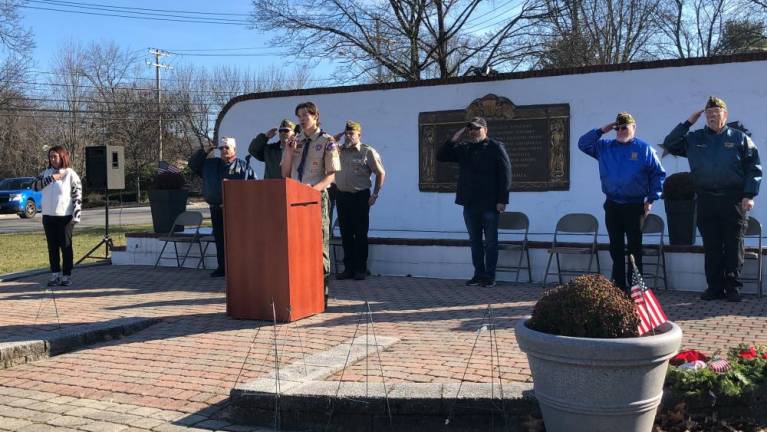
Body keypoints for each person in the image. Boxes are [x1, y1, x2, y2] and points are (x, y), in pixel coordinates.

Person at [663, 96, 761, 302]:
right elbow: (670, 144)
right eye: (708, 114)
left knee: (734, 245)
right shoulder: (695, 138)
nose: (712, 117)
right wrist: (688, 122)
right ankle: (714, 287)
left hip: (733, 199)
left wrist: (749, 194)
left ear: (725, 115)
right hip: (706, 198)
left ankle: (732, 287)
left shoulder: (739, 138)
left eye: (716, 113)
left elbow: (754, 167)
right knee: (712, 245)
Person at [578, 112, 666, 292]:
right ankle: (619, 285)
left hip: (635, 206)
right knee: (615, 246)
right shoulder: (604, 147)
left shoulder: (644, 149)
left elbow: (658, 174)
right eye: (618, 128)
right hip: (612, 204)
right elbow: (583, 143)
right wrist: (603, 129)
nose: (621, 131)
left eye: (625, 127)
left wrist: (651, 198)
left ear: (634, 128)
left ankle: (635, 285)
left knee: (634, 246)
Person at [436, 116, 512, 288]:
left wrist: (502, 200)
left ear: (485, 129)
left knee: (491, 242)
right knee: (475, 241)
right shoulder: (465, 148)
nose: (473, 131)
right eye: (471, 129)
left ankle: (489, 276)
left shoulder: (496, 147)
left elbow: (506, 175)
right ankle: (479, 274)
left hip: (490, 203)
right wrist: (459, 134)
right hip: (470, 203)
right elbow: (441, 156)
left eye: (477, 128)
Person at [281, 101, 341, 305]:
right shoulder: (295, 141)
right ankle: (302, 292)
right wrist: (289, 152)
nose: (302, 119)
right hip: (295, 199)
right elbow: (286, 174)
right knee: (297, 246)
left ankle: (321, 292)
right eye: (299, 116)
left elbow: (331, 176)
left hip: (316, 198)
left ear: (316, 116)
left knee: (318, 245)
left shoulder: (327, 141)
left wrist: (311, 192)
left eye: (306, 115)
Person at [189, 136, 256, 277]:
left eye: (227, 147)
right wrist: (205, 151)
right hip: (216, 209)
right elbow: (193, 165)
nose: (224, 150)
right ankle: (222, 268)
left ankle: (239, 269)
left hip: (237, 211)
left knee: (237, 240)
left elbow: (253, 187)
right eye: (221, 148)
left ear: (234, 149)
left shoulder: (243, 166)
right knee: (220, 239)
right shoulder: (210, 165)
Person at [333, 120, 386, 280]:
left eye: (352, 133)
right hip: (342, 196)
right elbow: (325, 153)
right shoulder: (338, 150)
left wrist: (375, 194)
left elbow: (380, 173)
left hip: (360, 196)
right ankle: (348, 268)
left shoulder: (366, 151)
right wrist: (335, 140)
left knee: (360, 233)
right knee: (346, 233)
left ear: (359, 135)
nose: (348, 136)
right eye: (347, 133)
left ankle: (360, 269)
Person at [33, 145, 82, 287]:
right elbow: (34, 186)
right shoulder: (46, 173)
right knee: (52, 247)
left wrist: (76, 217)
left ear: (62, 157)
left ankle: (66, 276)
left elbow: (77, 196)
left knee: (66, 247)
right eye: (50, 157)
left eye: (55, 156)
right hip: (48, 216)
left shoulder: (70, 173)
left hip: (65, 217)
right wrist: (51, 178)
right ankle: (55, 274)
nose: (52, 159)